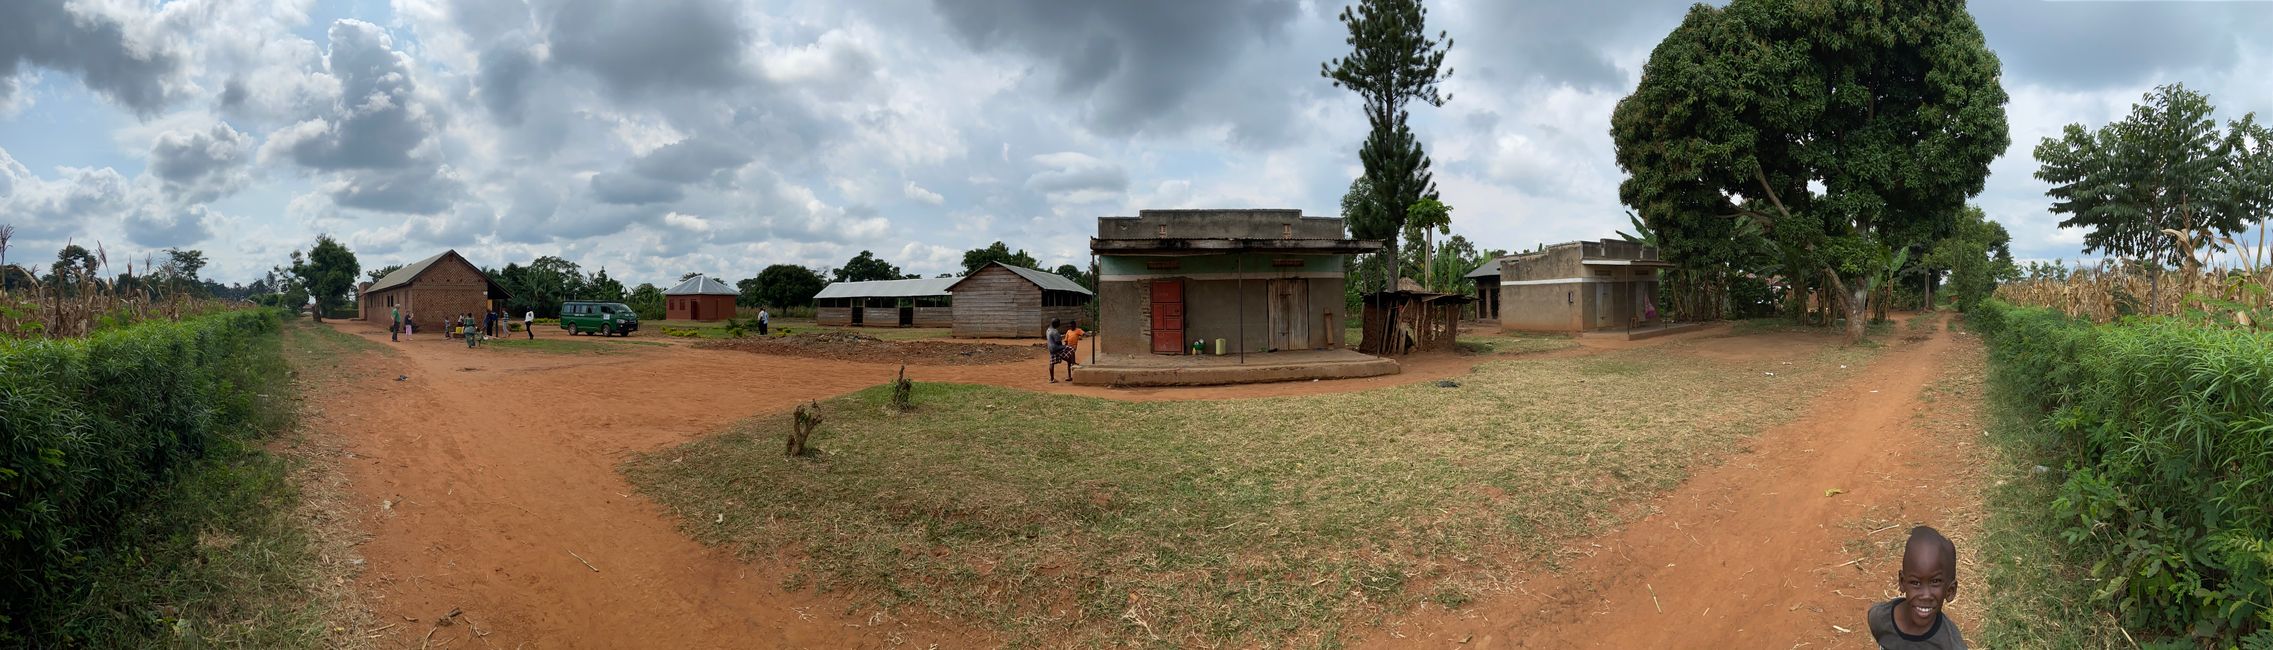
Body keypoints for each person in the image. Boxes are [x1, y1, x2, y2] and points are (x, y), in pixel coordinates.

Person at [1868, 526, 1967, 649]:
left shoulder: (1950, 645)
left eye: (1935, 581)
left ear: (1950, 591)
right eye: (1915, 583)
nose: (1925, 595)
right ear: (1902, 582)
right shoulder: (1880, 618)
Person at [1045, 318, 1065, 383]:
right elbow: (1058, 342)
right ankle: (1072, 363)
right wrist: (1064, 346)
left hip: (1051, 348)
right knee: (1070, 348)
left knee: (1051, 363)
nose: (1059, 325)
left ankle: (1052, 379)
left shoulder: (1048, 330)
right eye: (1059, 324)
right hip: (1056, 348)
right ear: (1056, 324)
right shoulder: (1055, 331)